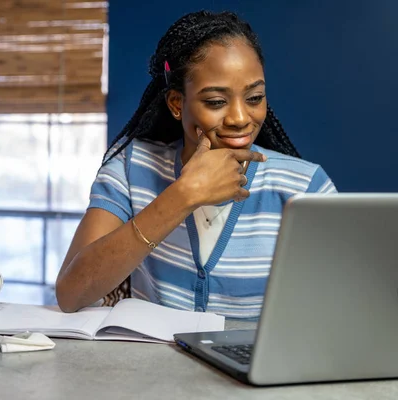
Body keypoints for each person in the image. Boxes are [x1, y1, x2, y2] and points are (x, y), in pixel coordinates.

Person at [55, 10, 337, 318]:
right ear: (177, 103)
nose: (241, 118)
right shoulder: (132, 168)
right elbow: (71, 294)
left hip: (255, 366)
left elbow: (340, 307)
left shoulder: (306, 188)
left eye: (255, 98)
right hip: (149, 366)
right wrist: (184, 195)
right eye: (216, 102)